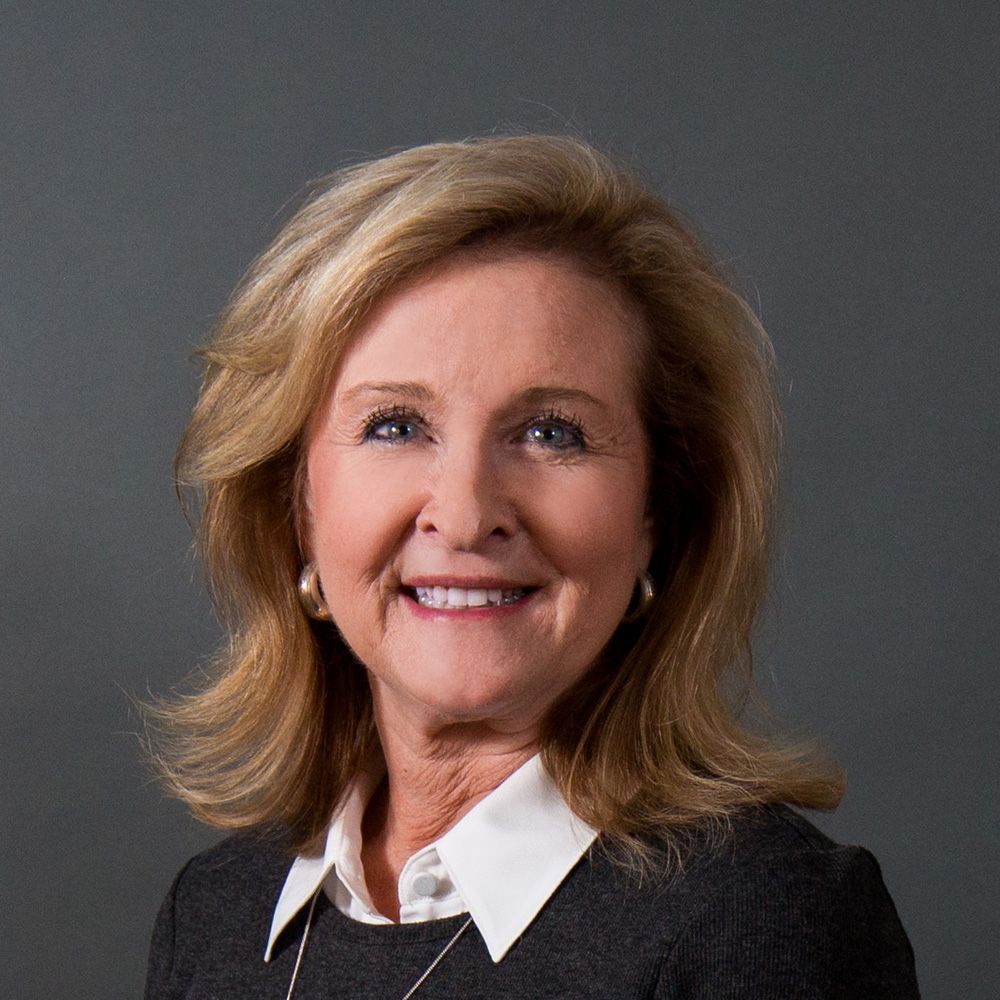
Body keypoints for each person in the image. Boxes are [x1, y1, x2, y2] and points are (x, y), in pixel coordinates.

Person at [145, 135, 919, 998]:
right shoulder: (215, 916)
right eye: (396, 426)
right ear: (298, 505)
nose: (468, 514)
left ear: (654, 517)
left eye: (553, 432)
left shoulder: (763, 921)